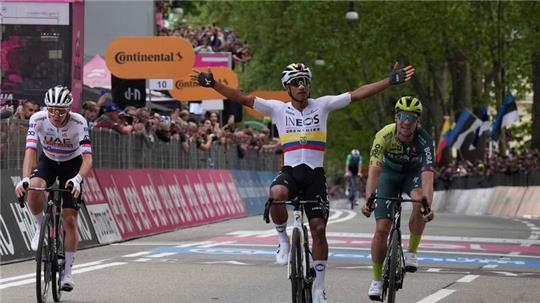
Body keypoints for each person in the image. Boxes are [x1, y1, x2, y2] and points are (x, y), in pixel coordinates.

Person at [193, 62, 415, 303]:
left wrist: (389, 80)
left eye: (305, 82)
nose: (302, 86)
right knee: (276, 192)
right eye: (296, 82)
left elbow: (358, 93)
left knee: (319, 229)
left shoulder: (323, 105)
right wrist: (214, 84)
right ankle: (282, 240)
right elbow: (242, 98)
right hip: (290, 171)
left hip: (314, 176)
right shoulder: (278, 109)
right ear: (287, 87)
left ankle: (319, 287)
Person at [14, 85, 93, 292]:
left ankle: (67, 271)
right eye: (52, 110)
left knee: (69, 218)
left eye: (61, 111)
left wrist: (77, 179)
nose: (56, 115)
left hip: (72, 165)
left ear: (69, 109)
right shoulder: (37, 119)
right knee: (34, 189)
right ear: (46, 108)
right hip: (48, 161)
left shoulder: (79, 123)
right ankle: (41, 227)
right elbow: (30, 151)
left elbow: (87, 158)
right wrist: (24, 179)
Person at [361, 96, 435, 301]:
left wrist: (427, 203)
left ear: (418, 121)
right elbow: (375, 170)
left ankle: (411, 251)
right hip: (388, 175)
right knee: (382, 228)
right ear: (396, 117)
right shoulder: (383, 135)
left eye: (411, 117)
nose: (406, 122)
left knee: (421, 201)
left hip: (413, 175)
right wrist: (369, 199)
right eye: (402, 116)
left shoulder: (425, 140)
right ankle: (376, 279)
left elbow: (428, 174)